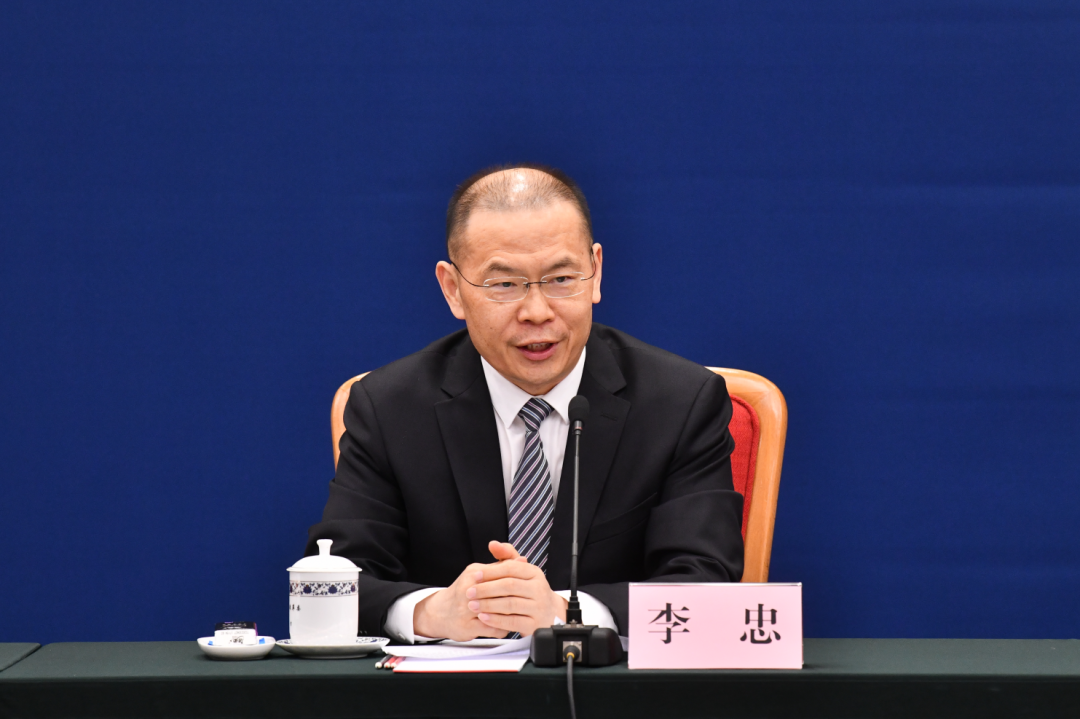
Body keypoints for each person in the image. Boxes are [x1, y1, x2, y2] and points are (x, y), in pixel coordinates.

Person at [306, 164, 744, 642]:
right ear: (453, 290)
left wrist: (565, 612)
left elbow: (707, 585)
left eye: (561, 278)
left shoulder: (679, 403)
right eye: (504, 285)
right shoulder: (390, 408)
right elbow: (338, 579)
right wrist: (431, 612)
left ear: (596, 272)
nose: (537, 312)